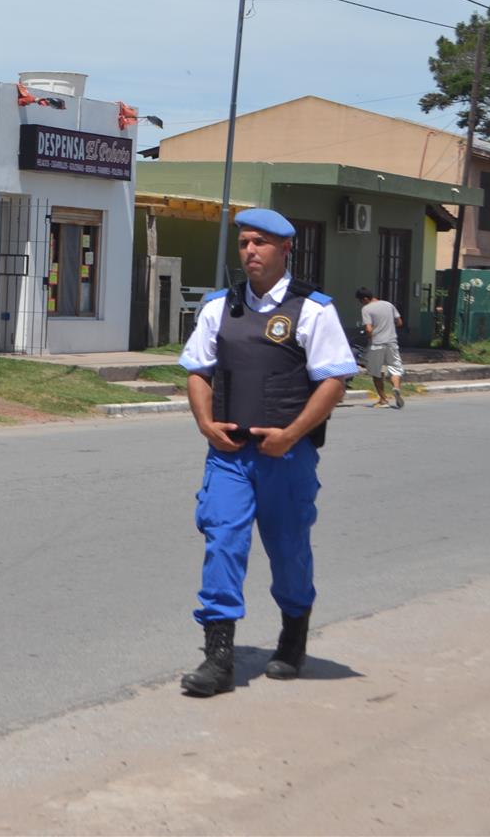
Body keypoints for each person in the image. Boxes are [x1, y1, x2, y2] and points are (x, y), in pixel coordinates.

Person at [176, 208, 359, 697]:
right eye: (244, 243)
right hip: (230, 452)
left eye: (260, 242)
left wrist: (292, 434)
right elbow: (198, 369)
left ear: (286, 249)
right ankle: (219, 658)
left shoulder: (313, 310)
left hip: (286, 455)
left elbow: (334, 381)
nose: (250, 251)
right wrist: (204, 423)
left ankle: (294, 633)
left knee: (288, 549)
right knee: (222, 541)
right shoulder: (221, 307)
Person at [356, 287, 405, 409]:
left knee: (376, 372)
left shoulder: (366, 309)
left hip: (377, 344)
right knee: (395, 368)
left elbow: (368, 329)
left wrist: (369, 336)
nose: (361, 303)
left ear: (365, 299)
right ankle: (396, 387)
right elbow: (399, 322)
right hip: (392, 342)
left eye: (361, 301)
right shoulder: (388, 304)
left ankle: (383, 400)